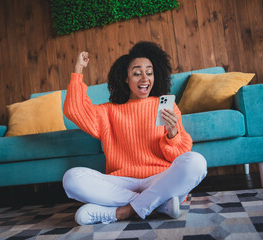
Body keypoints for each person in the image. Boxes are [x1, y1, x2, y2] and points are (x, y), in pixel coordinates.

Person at [62, 41, 207, 225]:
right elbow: (74, 110)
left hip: (158, 179)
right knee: (71, 178)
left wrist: (173, 135)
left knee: (197, 162)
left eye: (149, 72)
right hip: (120, 181)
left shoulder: (165, 107)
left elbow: (181, 156)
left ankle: (122, 212)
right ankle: (159, 205)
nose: (144, 78)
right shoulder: (109, 111)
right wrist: (78, 71)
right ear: (126, 78)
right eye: (137, 73)